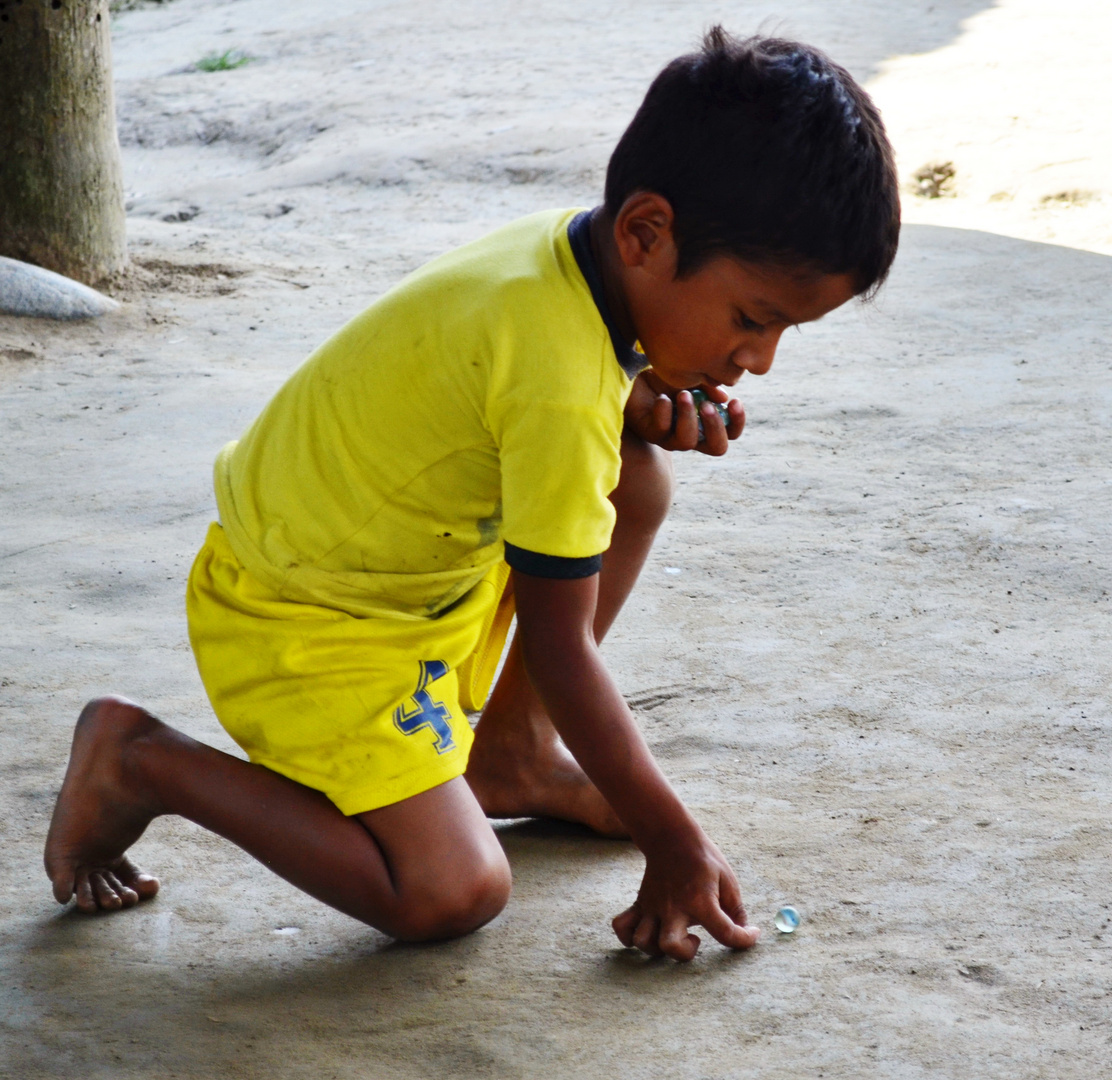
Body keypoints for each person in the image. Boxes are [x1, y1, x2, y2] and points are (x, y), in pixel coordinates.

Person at [43, 27, 900, 962]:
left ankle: (513, 756)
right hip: (304, 622)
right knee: (451, 891)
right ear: (646, 233)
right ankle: (140, 758)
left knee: (632, 478)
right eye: (752, 319)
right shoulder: (558, 377)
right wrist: (673, 839)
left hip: (390, 570)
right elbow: (563, 647)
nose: (760, 361)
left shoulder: (573, 261)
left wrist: (634, 394)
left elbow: (522, 391)